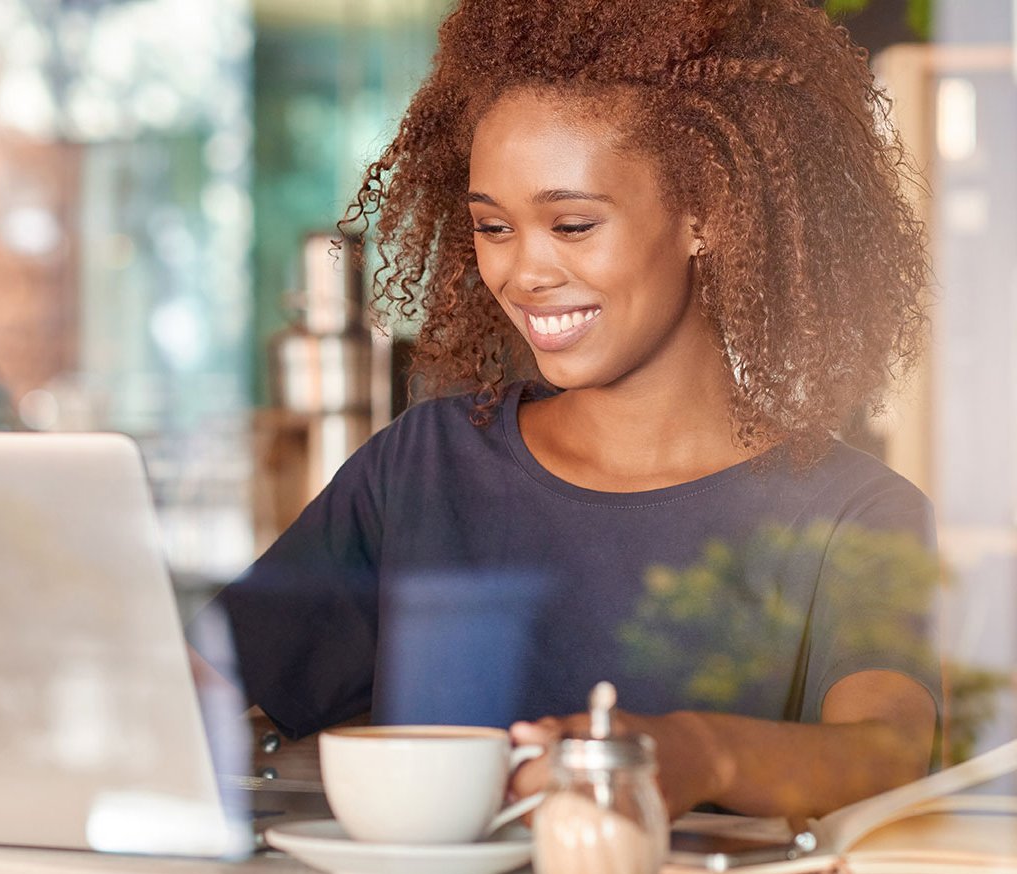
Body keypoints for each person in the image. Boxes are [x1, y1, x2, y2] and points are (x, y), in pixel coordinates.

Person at [189, 0, 940, 822]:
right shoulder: (423, 467)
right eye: (493, 226)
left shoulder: (853, 513)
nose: (524, 271)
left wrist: (693, 752)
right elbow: (202, 683)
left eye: (573, 223)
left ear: (707, 214)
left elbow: (889, 751)